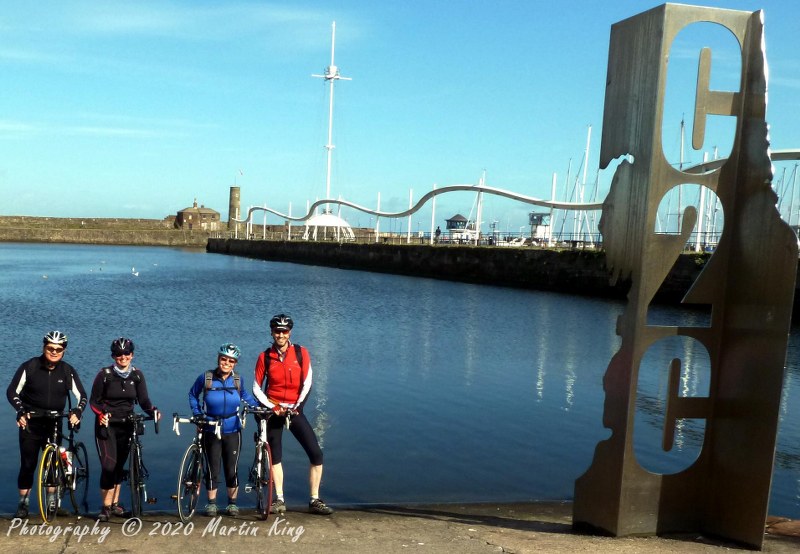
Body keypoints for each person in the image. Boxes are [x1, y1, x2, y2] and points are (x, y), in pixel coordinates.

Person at [252, 314, 333, 515]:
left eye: (284, 331)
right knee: (275, 456)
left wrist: (296, 407)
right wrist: (273, 408)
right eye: (277, 331)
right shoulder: (264, 357)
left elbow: (308, 382)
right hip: (274, 410)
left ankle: (314, 500)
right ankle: (279, 499)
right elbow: (256, 387)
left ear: (290, 332)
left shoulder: (301, 353)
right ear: (271, 332)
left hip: (295, 410)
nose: (281, 334)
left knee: (316, 454)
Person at [6, 331, 88, 519]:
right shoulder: (30, 367)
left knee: (53, 465)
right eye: (50, 348)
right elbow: (12, 391)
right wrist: (20, 410)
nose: (54, 352)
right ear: (44, 347)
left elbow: (82, 396)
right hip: (31, 422)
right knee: (28, 464)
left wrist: (77, 411)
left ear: (64, 351)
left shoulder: (67, 371)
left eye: (58, 349)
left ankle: (53, 504)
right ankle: (23, 504)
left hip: (54, 422)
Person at [89, 337, 160, 522]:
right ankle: (105, 507)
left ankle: (115, 505)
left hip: (127, 424)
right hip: (107, 425)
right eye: (118, 354)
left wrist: (153, 412)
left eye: (126, 353)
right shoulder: (104, 375)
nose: (123, 357)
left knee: (119, 467)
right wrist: (101, 414)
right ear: (113, 356)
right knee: (108, 465)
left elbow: (144, 401)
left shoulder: (137, 375)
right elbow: (94, 401)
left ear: (132, 355)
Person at [188, 343, 260, 517]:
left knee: (231, 467)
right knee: (212, 468)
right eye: (223, 359)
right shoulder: (206, 378)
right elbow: (192, 394)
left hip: (232, 429)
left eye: (231, 360)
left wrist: (258, 407)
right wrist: (197, 413)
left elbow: (244, 395)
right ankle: (211, 503)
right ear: (218, 358)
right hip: (211, 428)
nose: (226, 363)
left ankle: (232, 503)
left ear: (235, 363)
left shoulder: (237, 380)